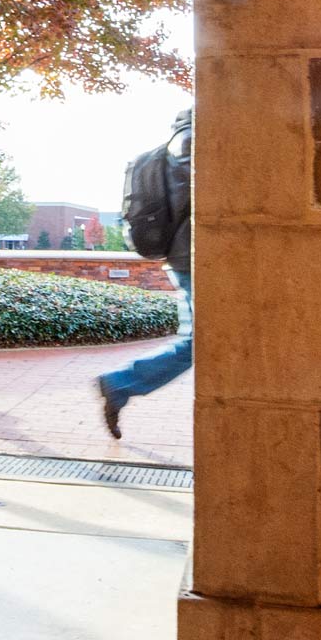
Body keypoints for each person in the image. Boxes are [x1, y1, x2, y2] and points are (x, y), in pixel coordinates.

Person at [99, 107, 193, 436]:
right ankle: (120, 383)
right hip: (192, 256)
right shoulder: (192, 143)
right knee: (200, 342)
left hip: (182, 255)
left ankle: (121, 385)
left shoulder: (179, 142)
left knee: (200, 340)